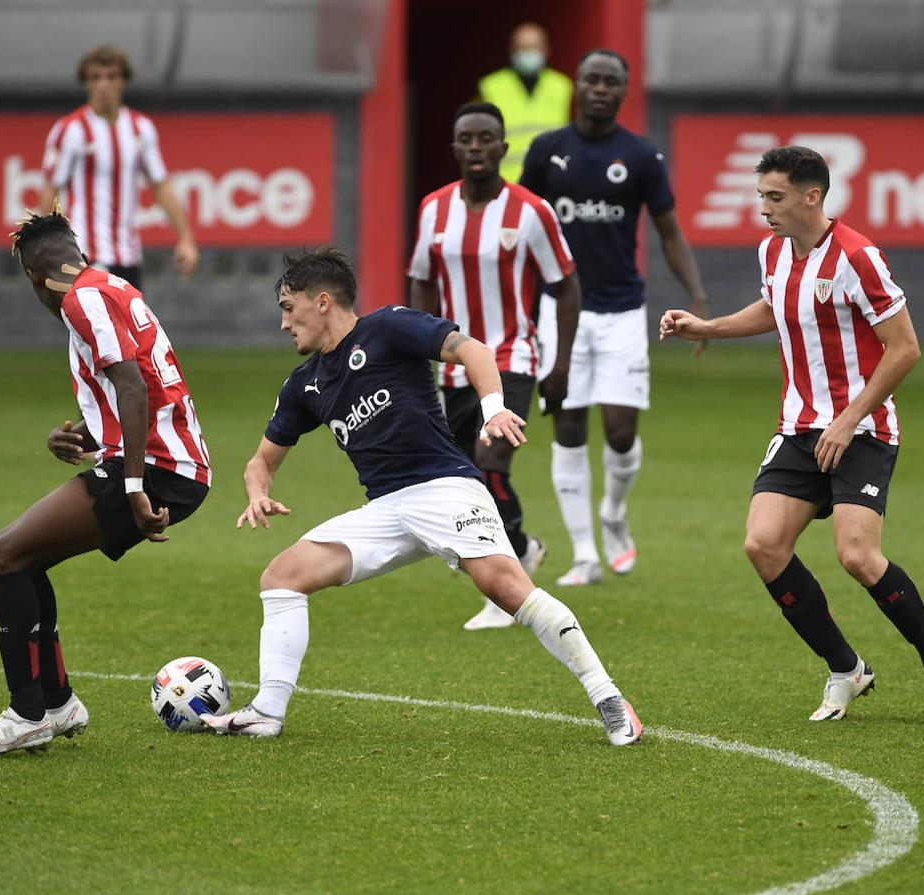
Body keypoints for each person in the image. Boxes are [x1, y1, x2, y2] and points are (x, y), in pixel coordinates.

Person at [201, 247, 641, 746]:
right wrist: (258, 493)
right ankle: (267, 711)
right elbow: (261, 460)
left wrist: (492, 409)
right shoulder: (305, 384)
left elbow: (472, 350)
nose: (283, 323)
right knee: (281, 578)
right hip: (386, 509)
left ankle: (609, 698)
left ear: (321, 302)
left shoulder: (388, 327)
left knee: (507, 589)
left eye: (287, 307)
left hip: (444, 487)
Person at [659, 145, 924, 722]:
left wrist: (848, 419)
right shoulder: (772, 251)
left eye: (774, 197)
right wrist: (709, 326)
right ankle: (845, 668)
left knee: (857, 556)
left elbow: (906, 348)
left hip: (864, 430)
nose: (764, 209)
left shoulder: (858, 256)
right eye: (760, 197)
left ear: (812, 196)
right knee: (763, 546)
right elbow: (776, 308)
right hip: (800, 428)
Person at [0, 211, 212, 754]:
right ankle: (56, 703)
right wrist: (87, 441)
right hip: (165, 462)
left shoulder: (79, 300)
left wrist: (135, 487)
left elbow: (135, 387)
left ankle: (27, 715)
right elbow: (136, 391)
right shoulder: (111, 286)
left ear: (34, 276)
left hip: (157, 471)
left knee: (1, 557)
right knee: (24, 560)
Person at [520, 48, 709, 586]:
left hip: (623, 310)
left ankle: (613, 515)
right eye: (592, 79)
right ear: (577, 86)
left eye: (611, 81)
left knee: (621, 432)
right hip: (559, 311)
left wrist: (696, 295)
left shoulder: (642, 156)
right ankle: (585, 555)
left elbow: (669, 231)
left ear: (623, 91)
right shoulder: (547, 151)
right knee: (569, 427)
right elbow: (522, 226)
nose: (601, 88)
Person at [409, 102, 581, 631]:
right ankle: (523, 548)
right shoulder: (433, 210)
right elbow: (420, 278)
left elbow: (567, 285)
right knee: (462, 480)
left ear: (504, 148)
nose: (478, 147)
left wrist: (561, 366)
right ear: (456, 148)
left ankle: (508, 584)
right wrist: (419, 345)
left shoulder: (531, 212)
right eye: (468, 139)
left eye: (488, 138)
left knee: (491, 466)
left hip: (513, 359)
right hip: (453, 365)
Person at [38, 45, 199, 288]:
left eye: (111, 77)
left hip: (129, 256)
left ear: (123, 81)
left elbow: (161, 186)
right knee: (100, 325)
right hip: (86, 254)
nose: (103, 85)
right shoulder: (71, 129)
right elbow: (51, 190)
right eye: (95, 78)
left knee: (130, 326)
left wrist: (186, 238)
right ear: (87, 83)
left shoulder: (141, 128)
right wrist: (50, 250)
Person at [478, 23, 574, 183]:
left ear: (546, 50)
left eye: (534, 48)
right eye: (522, 48)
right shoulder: (490, 87)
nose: (529, 53)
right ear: (511, 51)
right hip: (505, 185)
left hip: (551, 182)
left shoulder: (563, 87)